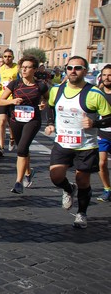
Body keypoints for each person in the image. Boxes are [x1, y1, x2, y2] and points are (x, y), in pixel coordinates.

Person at [45, 56, 111, 228]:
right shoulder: (56, 90)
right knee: (56, 177)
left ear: (85, 71)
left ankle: (81, 213)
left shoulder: (94, 94)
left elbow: (110, 118)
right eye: (70, 67)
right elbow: (51, 106)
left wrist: (94, 123)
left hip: (86, 146)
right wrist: (51, 123)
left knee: (83, 181)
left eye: (78, 68)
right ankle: (68, 189)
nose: (73, 71)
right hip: (62, 142)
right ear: (66, 69)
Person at [0, 55, 48, 193]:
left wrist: (43, 103)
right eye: (22, 67)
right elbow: (1, 101)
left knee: (21, 149)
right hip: (16, 120)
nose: (24, 70)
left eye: (27, 67)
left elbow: (46, 99)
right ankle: (28, 172)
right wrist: (12, 101)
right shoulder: (15, 84)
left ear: (35, 69)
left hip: (33, 120)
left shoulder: (41, 85)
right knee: (23, 149)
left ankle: (18, 183)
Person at [0, 49, 19, 157]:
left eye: (9, 56)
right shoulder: (0, 69)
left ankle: (12, 138)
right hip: (2, 98)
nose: (7, 58)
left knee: (11, 123)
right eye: (5, 56)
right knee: (2, 121)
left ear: (13, 57)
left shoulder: (17, 68)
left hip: (13, 99)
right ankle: (1, 147)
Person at [97, 64, 111, 202]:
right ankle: (107, 189)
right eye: (105, 75)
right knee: (101, 163)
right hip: (103, 134)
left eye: (110, 75)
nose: (107, 78)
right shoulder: (97, 93)